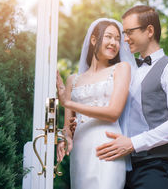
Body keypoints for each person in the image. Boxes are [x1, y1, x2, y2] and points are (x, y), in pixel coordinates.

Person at [96, 5, 168, 189]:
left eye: (129, 32)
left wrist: (133, 143)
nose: (124, 39)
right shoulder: (126, 71)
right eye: (123, 33)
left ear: (149, 31)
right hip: (119, 166)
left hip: (153, 166)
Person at [56, 18, 136, 189]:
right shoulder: (72, 80)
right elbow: (68, 128)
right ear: (93, 40)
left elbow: (113, 112)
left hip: (107, 147)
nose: (114, 43)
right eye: (109, 37)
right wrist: (65, 140)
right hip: (80, 151)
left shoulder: (121, 69)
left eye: (117, 39)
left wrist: (68, 103)